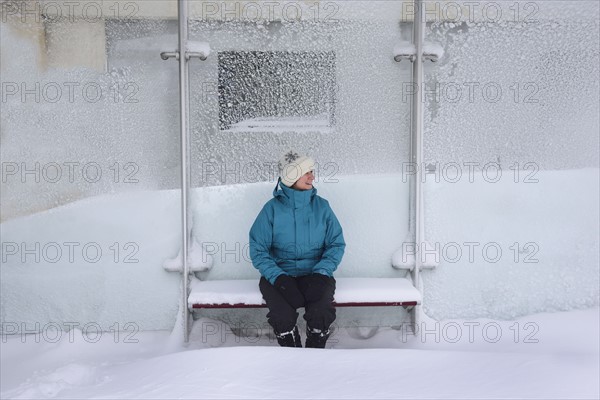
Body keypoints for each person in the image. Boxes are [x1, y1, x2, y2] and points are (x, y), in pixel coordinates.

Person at [249, 151, 345, 348]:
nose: (313, 176)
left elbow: (336, 244)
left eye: (312, 171)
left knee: (320, 314)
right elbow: (258, 250)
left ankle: (314, 356)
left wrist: (321, 273)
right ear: (292, 176)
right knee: (282, 318)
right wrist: (279, 278)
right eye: (306, 172)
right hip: (279, 276)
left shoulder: (322, 207)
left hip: (315, 275)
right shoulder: (271, 210)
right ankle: (292, 358)